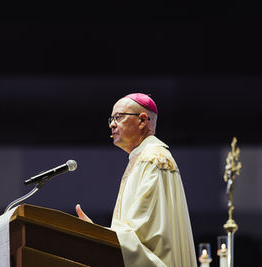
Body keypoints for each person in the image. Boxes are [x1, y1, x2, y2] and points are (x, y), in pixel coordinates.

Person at [76, 93, 197, 267]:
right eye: (111, 118)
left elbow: (142, 235)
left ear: (142, 120)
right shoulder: (140, 159)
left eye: (119, 117)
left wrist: (97, 235)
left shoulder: (153, 159)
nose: (112, 124)